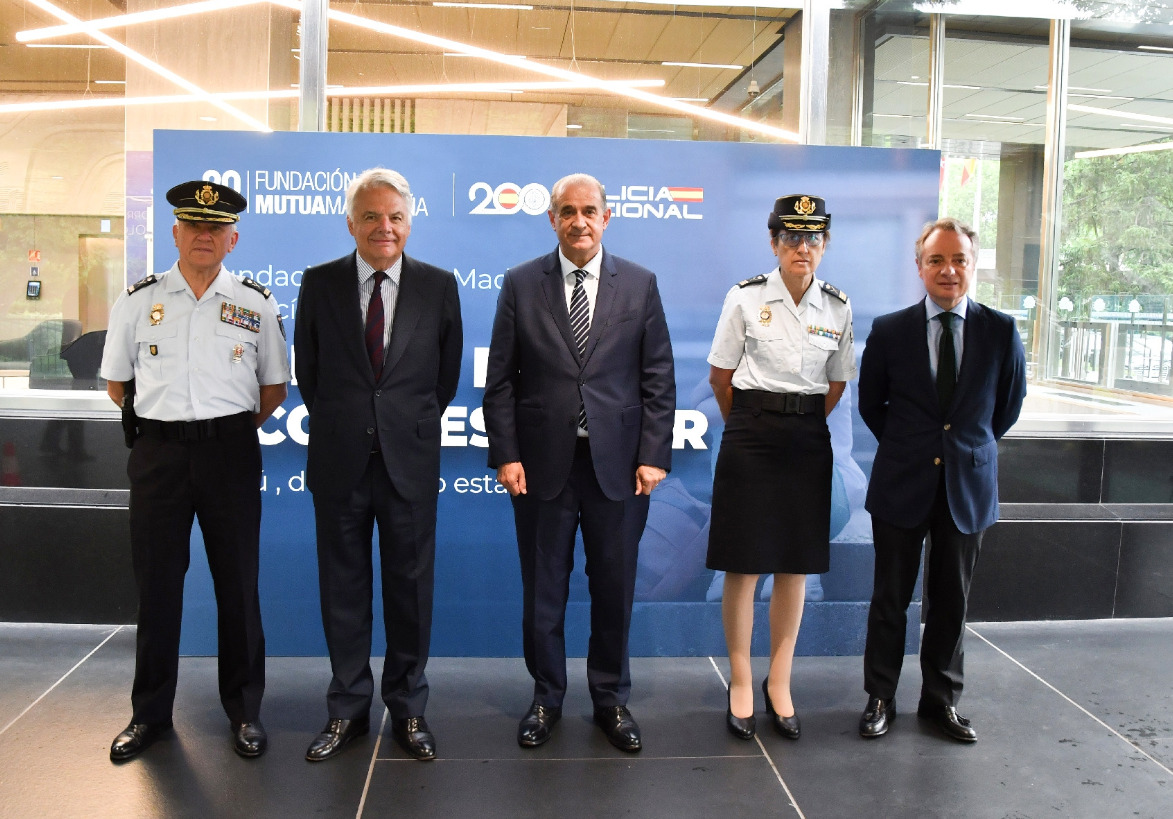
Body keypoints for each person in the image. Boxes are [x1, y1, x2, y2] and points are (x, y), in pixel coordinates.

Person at [483, 172, 676, 753]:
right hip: (542, 467)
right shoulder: (521, 284)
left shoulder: (639, 285)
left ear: (607, 216)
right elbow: (500, 384)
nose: (579, 221)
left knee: (614, 588)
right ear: (552, 220)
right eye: (567, 211)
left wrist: (652, 455)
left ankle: (611, 699)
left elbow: (658, 378)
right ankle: (546, 697)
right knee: (543, 589)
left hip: (618, 468)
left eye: (589, 210)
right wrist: (507, 454)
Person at [100, 180, 290, 761]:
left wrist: (219, 431)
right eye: (193, 226)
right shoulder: (137, 301)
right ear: (176, 233)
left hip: (229, 454)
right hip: (158, 456)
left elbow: (272, 390)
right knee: (157, 589)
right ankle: (150, 714)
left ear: (233, 238)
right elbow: (117, 386)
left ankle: (245, 711)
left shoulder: (256, 303)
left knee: (238, 586)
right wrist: (177, 430)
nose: (204, 236)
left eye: (216, 229)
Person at [294, 168, 462, 762]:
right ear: (351, 223)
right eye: (370, 216)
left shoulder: (439, 287)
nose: (382, 227)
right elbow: (309, 377)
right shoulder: (318, 284)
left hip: (409, 462)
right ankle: (347, 710)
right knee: (342, 588)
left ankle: (409, 709)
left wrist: (397, 425)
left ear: (408, 224)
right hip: (340, 460)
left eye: (393, 217)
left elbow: (443, 380)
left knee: (410, 592)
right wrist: (356, 422)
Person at [857, 217, 1026, 743]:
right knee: (890, 598)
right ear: (920, 267)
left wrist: (962, 447)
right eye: (937, 260)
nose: (948, 270)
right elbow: (871, 405)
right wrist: (915, 446)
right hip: (901, 483)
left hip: (966, 488)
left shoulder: (1001, 330)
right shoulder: (890, 330)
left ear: (973, 266)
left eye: (958, 260)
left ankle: (940, 701)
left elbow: (1007, 408)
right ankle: (879, 696)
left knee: (952, 600)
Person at [706, 194, 855, 742]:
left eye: (813, 238)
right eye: (791, 237)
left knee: (795, 565)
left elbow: (836, 385)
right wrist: (752, 421)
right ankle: (742, 679)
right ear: (774, 243)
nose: (803, 248)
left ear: (825, 245)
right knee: (743, 565)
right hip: (750, 433)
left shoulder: (838, 307)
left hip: (806, 438)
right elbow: (722, 377)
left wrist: (797, 422)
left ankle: (780, 681)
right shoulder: (745, 298)